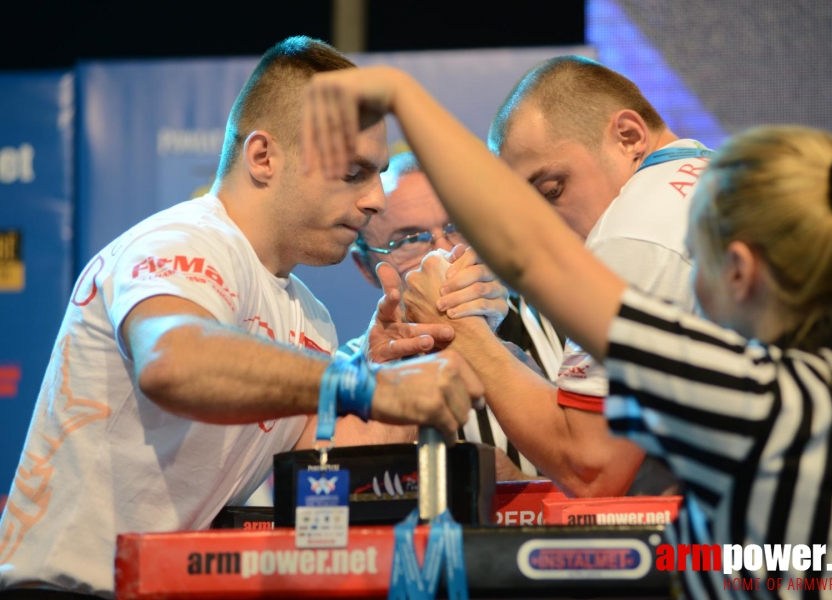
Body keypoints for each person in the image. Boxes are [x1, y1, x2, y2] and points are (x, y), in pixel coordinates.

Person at [299, 65, 832, 597]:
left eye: (699, 256)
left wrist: (403, 96)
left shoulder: (750, 390)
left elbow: (588, 460)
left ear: (738, 271)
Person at [0, 38, 484, 599]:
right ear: (263, 158)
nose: (376, 198)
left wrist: (407, 355)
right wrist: (361, 384)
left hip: (156, 588)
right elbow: (172, 362)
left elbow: (319, 471)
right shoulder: (185, 240)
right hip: (63, 591)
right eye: (354, 172)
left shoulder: (310, 314)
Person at [370, 57, 701, 497]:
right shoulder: (701, 177)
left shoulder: (630, 232)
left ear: (628, 136)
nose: (544, 226)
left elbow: (590, 471)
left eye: (553, 190)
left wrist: (461, 331)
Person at [344, 151, 564, 478]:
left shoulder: (564, 326)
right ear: (366, 268)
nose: (441, 252)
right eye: (408, 240)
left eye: (456, 227)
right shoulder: (349, 370)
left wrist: (519, 487)